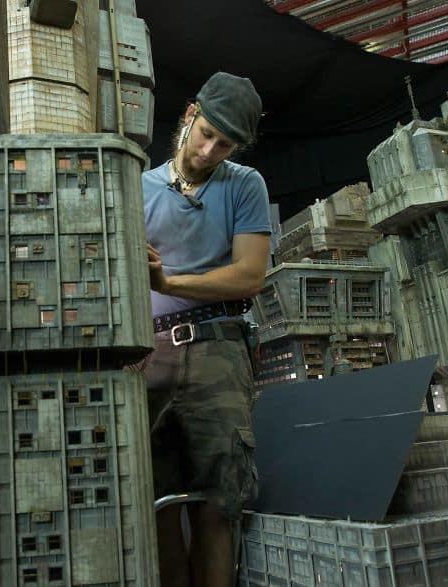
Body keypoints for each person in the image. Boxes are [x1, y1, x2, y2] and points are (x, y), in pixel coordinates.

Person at [141, 72, 271, 587]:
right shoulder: (138, 187)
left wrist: (168, 280)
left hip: (217, 347)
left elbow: (250, 275)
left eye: (225, 145)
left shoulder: (245, 185)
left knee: (219, 504)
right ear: (191, 113)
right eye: (207, 134)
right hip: (147, 354)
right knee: (157, 504)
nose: (210, 150)